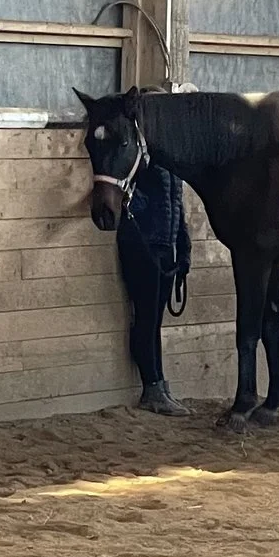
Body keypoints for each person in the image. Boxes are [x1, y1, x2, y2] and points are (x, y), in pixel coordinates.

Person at [118, 160, 192, 415]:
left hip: (165, 245)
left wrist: (183, 246)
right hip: (146, 243)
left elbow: (177, 207)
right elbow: (129, 199)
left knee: (155, 320)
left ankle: (159, 384)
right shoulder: (142, 162)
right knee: (147, 318)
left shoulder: (171, 166)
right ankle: (152, 386)